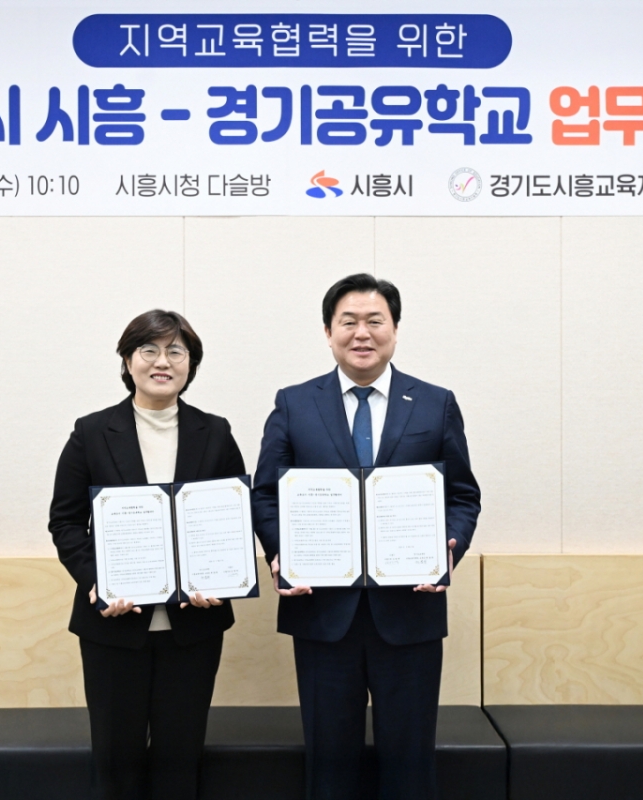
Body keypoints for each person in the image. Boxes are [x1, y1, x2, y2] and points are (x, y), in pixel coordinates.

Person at [252, 274, 481, 800]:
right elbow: (266, 494)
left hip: (410, 610)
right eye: (348, 322)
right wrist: (281, 552)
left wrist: (449, 547)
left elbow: (462, 495)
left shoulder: (435, 403)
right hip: (321, 611)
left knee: (410, 762)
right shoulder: (294, 403)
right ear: (328, 332)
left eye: (375, 321)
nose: (362, 333)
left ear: (395, 329)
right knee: (329, 764)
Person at [49, 309, 244, 800]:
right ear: (127, 361)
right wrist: (97, 581)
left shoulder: (215, 432)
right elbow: (66, 523)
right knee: (116, 762)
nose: (163, 362)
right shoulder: (92, 432)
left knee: (181, 760)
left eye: (176, 351)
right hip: (113, 628)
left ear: (190, 364)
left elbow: (232, 520)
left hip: (193, 629)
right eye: (149, 350)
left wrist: (221, 579)